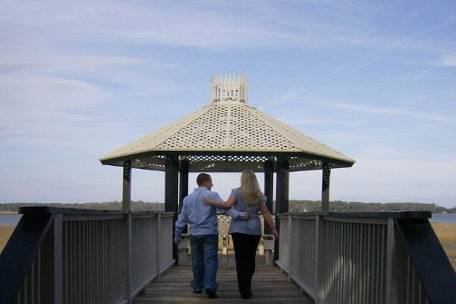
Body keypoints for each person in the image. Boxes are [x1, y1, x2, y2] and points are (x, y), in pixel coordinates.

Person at [203, 170, 279, 299]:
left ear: (242, 179)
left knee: (241, 259)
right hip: (254, 230)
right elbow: (265, 213)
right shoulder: (258, 195)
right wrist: (273, 228)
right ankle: (247, 285)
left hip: (238, 229)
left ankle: (244, 289)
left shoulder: (236, 192)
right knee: (250, 259)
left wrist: (212, 202)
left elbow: (227, 205)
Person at [174, 173, 250, 299]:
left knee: (197, 260)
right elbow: (226, 210)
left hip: (194, 234)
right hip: (210, 233)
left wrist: (177, 235)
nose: (212, 184)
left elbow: (181, 220)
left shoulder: (187, 199)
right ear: (206, 181)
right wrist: (242, 215)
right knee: (210, 259)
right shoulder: (212, 195)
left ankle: (198, 286)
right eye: (211, 182)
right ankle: (209, 285)